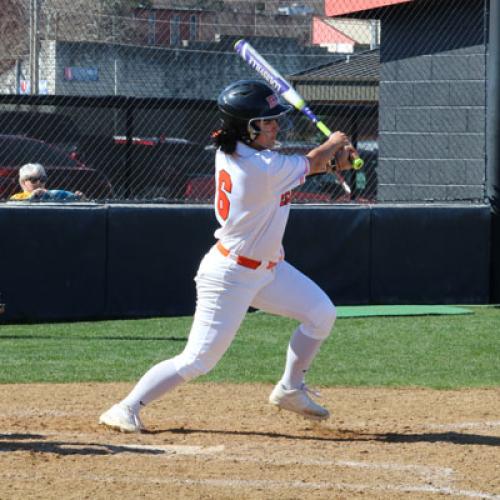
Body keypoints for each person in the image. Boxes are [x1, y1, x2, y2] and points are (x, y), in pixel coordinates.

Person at [99, 79, 357, 433]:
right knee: (198, 360)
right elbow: (308, 162)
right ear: (246, 128)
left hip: (268, 269)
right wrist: (334, 144)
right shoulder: (260, 167)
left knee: (321, 313)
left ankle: (290, 389)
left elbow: (304, 166)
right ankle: (126, 407)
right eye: (266, 122)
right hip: (230, 275)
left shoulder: (240, 153)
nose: (275, 126)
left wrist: (331, 160)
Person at [9, 163, 85, 201]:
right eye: (33, 179)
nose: (39, 183)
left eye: (42, 179)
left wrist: (79, 199)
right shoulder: (17, 197)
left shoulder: (52, 195)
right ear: (23, 182)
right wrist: (32, 197)